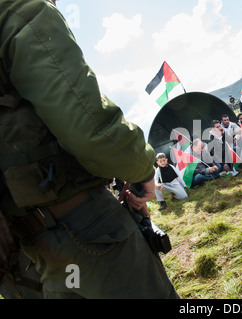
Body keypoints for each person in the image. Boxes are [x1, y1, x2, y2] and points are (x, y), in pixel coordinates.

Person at [0, 0, 178, 299]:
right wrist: (141, 169)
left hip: (15, 254)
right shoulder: (20, 9)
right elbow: (90, 127)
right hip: (78, 229)